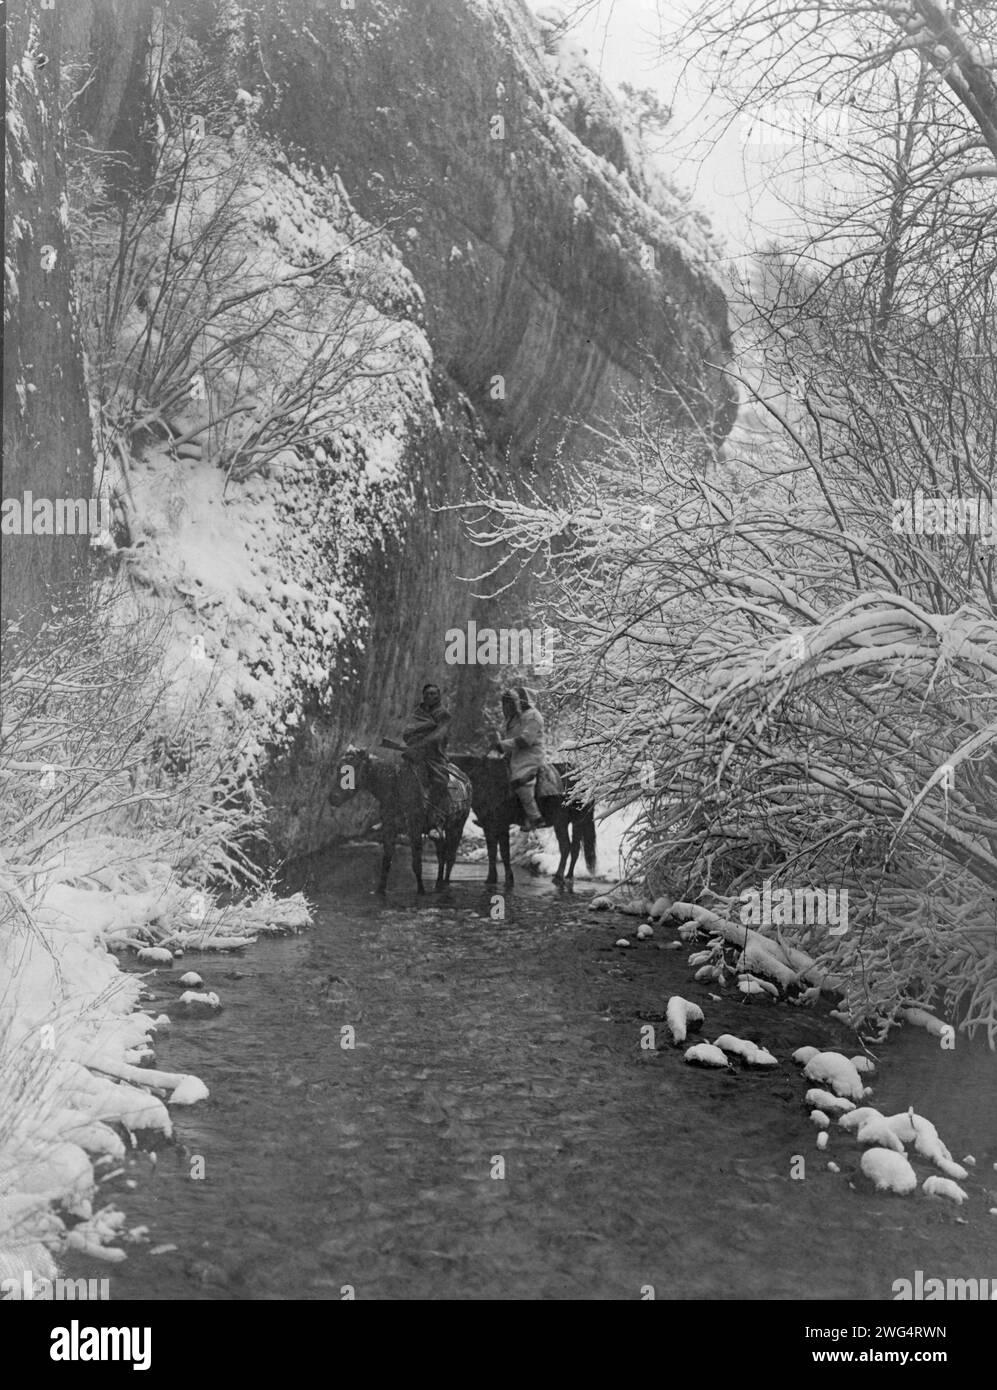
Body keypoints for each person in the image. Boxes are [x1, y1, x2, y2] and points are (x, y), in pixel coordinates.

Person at [401, 683, 452, 841]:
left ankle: (436, 821)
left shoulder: (444, 715)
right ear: (423, 696)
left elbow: (438, 735)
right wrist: (411, 741)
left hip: (434, 756)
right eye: (428, 694)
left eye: (434, 694)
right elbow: (407, 731)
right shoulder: (417, 713)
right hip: (414, 755)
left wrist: (420, 743)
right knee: (398, 777)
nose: (431, 697)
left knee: (440, 781)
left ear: (439, 696)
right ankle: (395, 818)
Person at [491, 685, 546, 831]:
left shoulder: (533, 716)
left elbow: (526, 740)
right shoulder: (515, 718)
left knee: (521, 781)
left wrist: (502, 745)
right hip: (515, 757)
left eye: (514, 701)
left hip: (530, 757)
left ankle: (535, 818)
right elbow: (511, 739)